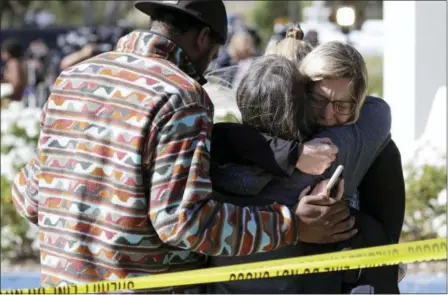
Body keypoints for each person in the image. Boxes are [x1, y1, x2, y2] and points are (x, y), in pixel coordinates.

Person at [10, 1, 354, 293]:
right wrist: (292, 224)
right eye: (215, 54)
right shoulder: (180, 95)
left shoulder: (73, 79)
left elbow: (28, 195)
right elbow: (184, 223)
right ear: (203, 39)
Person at [208, 31, 403, 293]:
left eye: (342, 105)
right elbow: (379, 111)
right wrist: (294, 154)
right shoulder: (337, 149)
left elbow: (219, 135)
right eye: (318, 100)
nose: (327, 114)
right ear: (300, 94)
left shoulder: (215, 172)